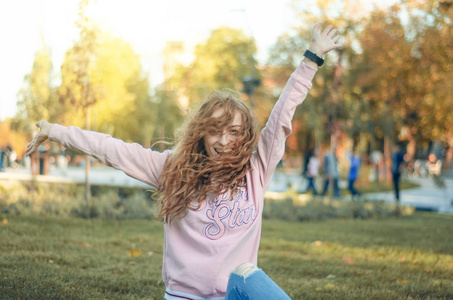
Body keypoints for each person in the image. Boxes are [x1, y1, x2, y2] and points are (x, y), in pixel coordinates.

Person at [26, 23, 343, 300]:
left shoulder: (256, 171)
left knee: (250, 276)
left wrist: (311, 59)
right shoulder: (172, 170)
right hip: (183, 296)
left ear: (245, 135)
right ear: (201, 134)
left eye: (233, 131)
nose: (223, 140)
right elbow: (113, 149)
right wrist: (56, 132)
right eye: (215, 131)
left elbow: (281, 117)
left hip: (234, 295)